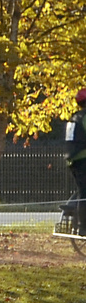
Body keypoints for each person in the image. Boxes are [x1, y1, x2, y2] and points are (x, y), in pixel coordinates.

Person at [68, 88, 86, 236]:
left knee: (83, 191)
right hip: (84, 158)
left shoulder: (74, 117)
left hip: (74, 160)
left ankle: (81, 225)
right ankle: (83, 227)